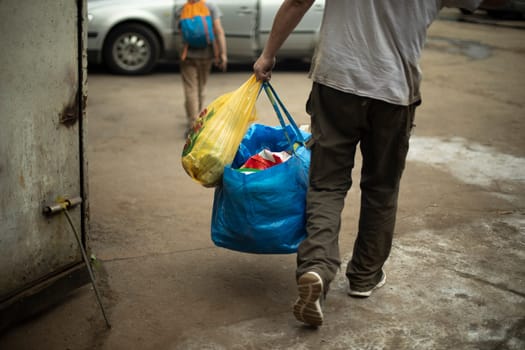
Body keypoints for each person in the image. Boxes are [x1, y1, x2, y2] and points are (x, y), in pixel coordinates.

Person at [253, 0, 482, 327]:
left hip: (337, 80)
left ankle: (316, 268)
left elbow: (299, 1)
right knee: (381, 188)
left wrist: (268, 54)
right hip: (394, 91)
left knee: (327, 185)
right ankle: (364, 276)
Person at [175, 0, 227, 137]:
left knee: (190, 88)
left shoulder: (181, 9)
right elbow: (218, 31)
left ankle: (192, 124)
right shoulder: (210, 7)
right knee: (201, 87)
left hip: (188, 54)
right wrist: (223, 54)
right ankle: (196, 119)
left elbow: (181, 33)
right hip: (207, 53)